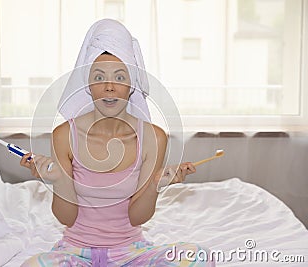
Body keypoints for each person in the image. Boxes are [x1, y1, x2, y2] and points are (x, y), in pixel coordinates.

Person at [20, 19, 215, 267]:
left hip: (131, 253)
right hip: (75, 252)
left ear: (131, 84)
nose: (109, 87)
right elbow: (66, 218)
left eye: (119, 77)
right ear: (88, 84)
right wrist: (58, 180)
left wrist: (156, 185)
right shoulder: (63, 135)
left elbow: (137, 217)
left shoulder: (154, 137)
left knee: (199, 257)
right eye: (99, 77)